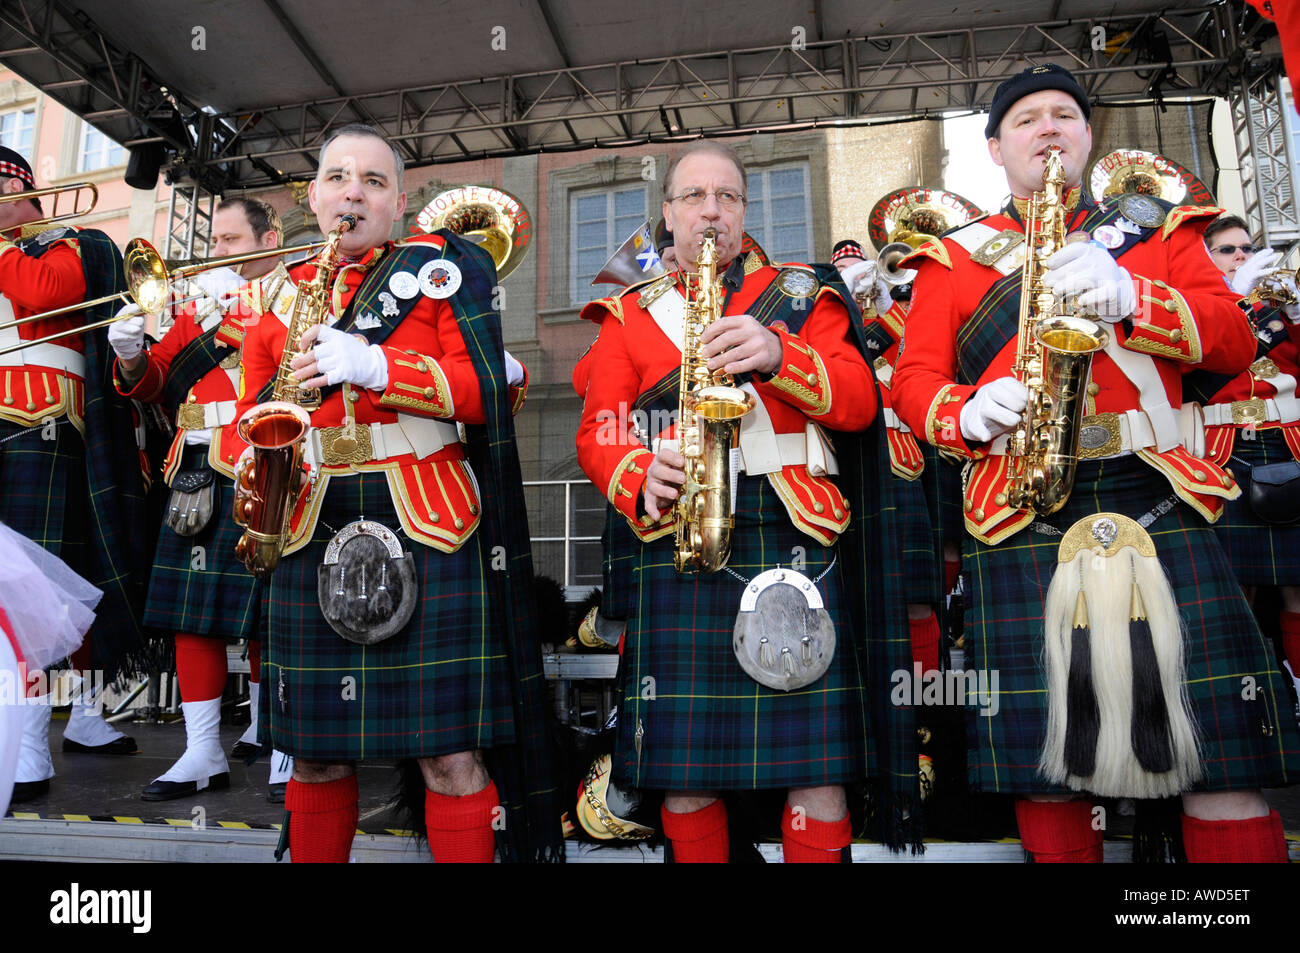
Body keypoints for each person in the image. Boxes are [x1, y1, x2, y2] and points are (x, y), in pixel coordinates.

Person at [892, 63, 1300, 862]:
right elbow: (914, 383)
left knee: (1220, 760)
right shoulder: (951, 260)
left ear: (1086, 136)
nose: (1048, 128)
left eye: (1064, 116)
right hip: (1023, 498)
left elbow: (1233, 336)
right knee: (1048, 768)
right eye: (1026, 120)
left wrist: (1132, 298)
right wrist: (962, 412)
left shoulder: (1159, 227)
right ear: (995, 148)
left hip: (1160, 490)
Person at [230, 123, 560, 863]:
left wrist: (378, 366)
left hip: (429, 518)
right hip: (310, 521)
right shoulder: (274, 295)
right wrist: (254, 444)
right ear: (313, 196)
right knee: (315, 754)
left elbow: (486, 392)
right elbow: (246, 421)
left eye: (374, 181)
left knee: (448, 757)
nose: (355, 191)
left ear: (400, 201)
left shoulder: (442, 267)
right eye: (340, 178)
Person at [575, 141, 910, 862]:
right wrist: (636, 471)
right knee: (686, 781)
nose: (710, 211)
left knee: (819, 774)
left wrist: (780, 353)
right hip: (682, 535)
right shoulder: (628, 311)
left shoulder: (801, 292)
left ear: (744, 213)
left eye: (727, 197)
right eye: (694, 197)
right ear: (666, 212)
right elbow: (600, 427)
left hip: (796, 531)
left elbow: (857, 405)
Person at [110, 197, 295, 802]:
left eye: (230, 241)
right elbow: (155, 382)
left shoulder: (299, 292)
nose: (216, 252)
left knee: (276, 616)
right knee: (192, 620)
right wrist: (132, 351)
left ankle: (279, 739)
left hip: (269, 458)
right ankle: (202, 750)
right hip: (196, 464)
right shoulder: (198, 307)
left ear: (269, 238)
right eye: (214, 240)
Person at [0, 147, 149, 803]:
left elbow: (43, 294)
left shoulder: (72, 239)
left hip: (42, 424)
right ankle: (80, 718)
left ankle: (33, 744)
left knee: (35, 588)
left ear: (17, 184)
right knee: (49, 587)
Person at [1186, 214, 1300, 702]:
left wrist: (1292, 316)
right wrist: (1244, 305)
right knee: (1236, 590)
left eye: (1247, 248)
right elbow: (1204, 360)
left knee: (1299, 583)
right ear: (1205, 261)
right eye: (1228, 250)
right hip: (1224, 448)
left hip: (1289, 443)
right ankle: (1247, 697)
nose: (1242, 257)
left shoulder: (1281, 309)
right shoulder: (1195, 308)